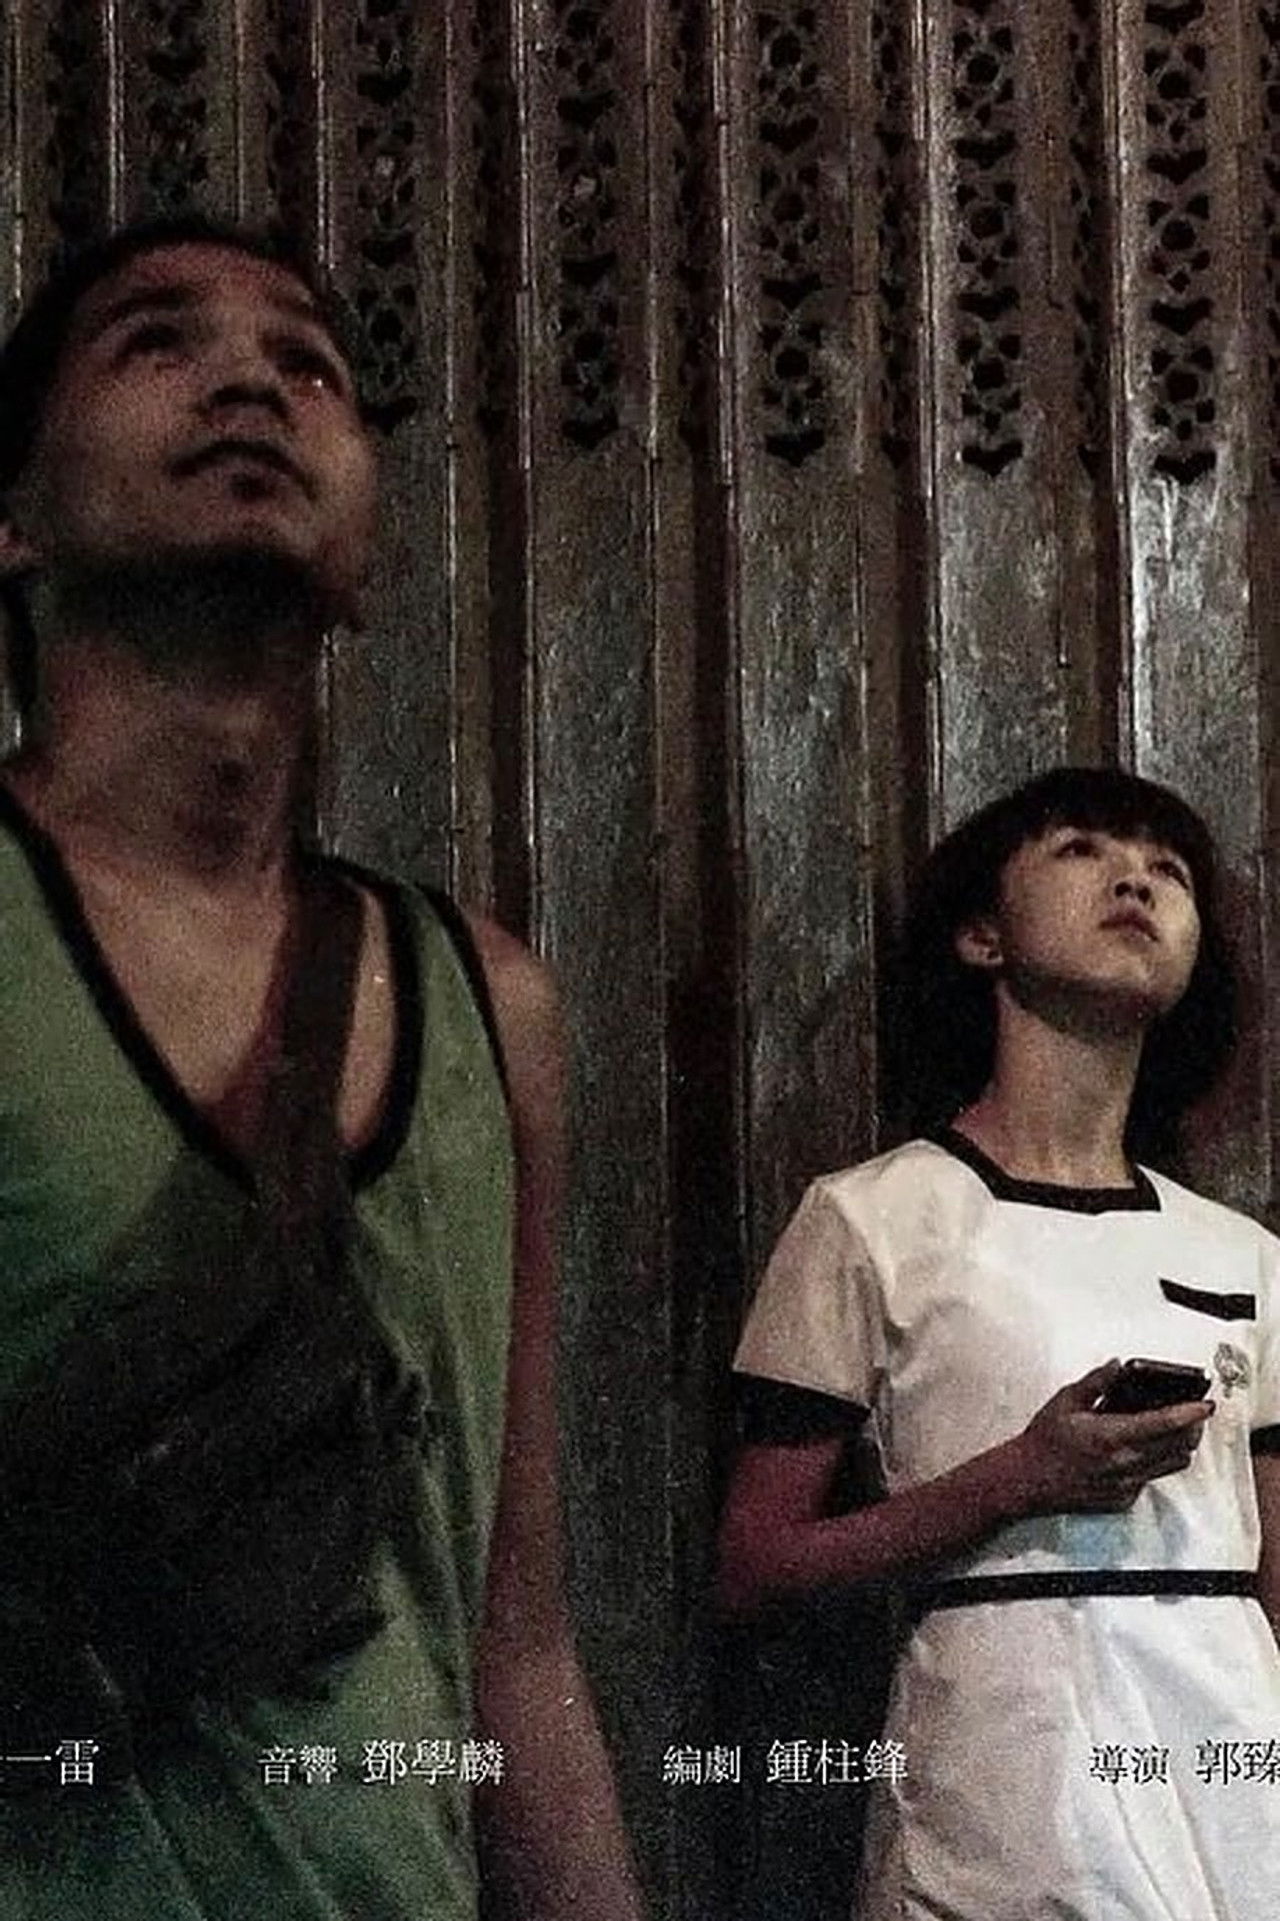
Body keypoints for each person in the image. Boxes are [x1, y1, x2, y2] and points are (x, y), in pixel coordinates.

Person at [0, 214, 644, 1921]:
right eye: (156, 341)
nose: (250, 384)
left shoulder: (490, 1004)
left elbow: (514, 1644)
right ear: (13, 522)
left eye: (309, 365)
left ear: (365, 555)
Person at [717, 766, 1280, 1921]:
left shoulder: (1244, 1255)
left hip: (1227, 1779)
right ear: (980, 935)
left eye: (1167, 868)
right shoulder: (867, 1217)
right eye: (1080, 849)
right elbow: (752, 1566)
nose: (1133, 879)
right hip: (1000, 1782)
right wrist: (1021, 1477)